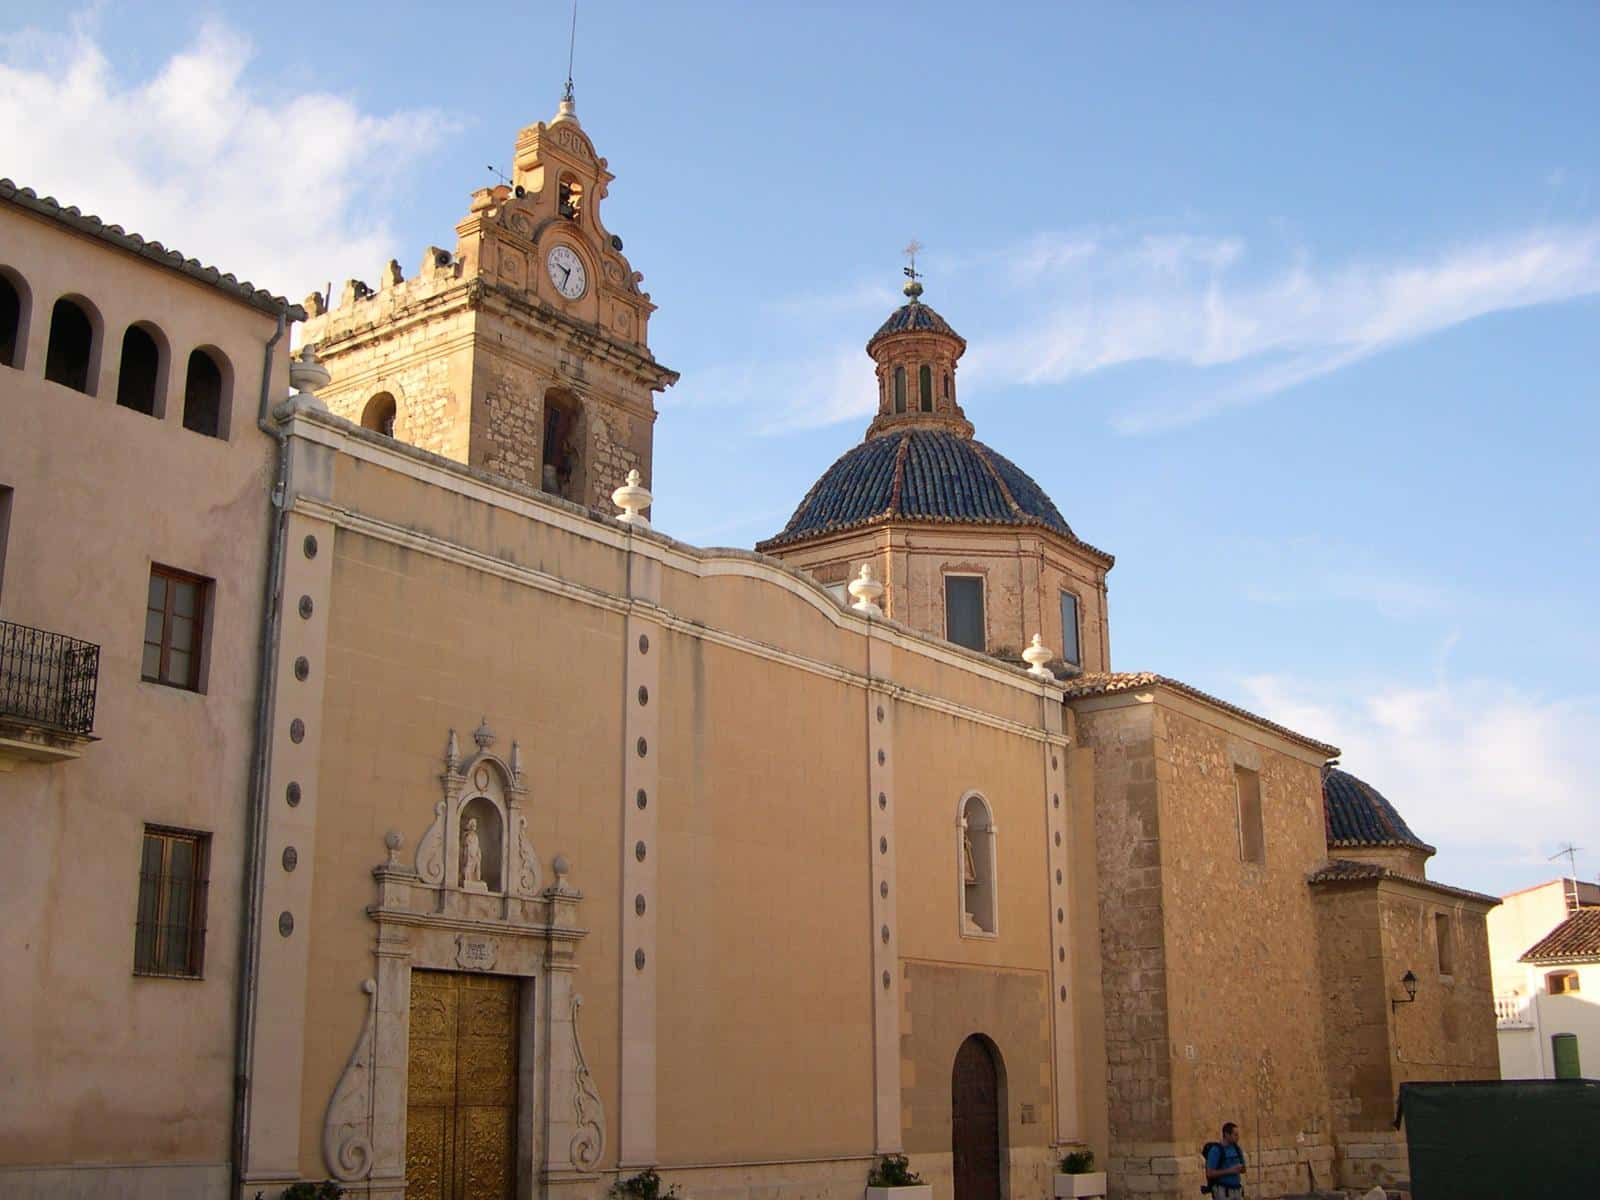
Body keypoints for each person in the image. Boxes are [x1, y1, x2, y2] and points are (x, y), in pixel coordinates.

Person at [1205, 1122, 1247, 1199]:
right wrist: (1230, 1171)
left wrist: (1240, 1168)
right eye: (1235, 1135)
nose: (1238, 1137)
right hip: (1223, 1191)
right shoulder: (1216, 1150)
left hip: (1237, 1190)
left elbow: (1244, 1169)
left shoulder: (1237, 1149)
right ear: (1227, 1134)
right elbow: (1210, 1173)